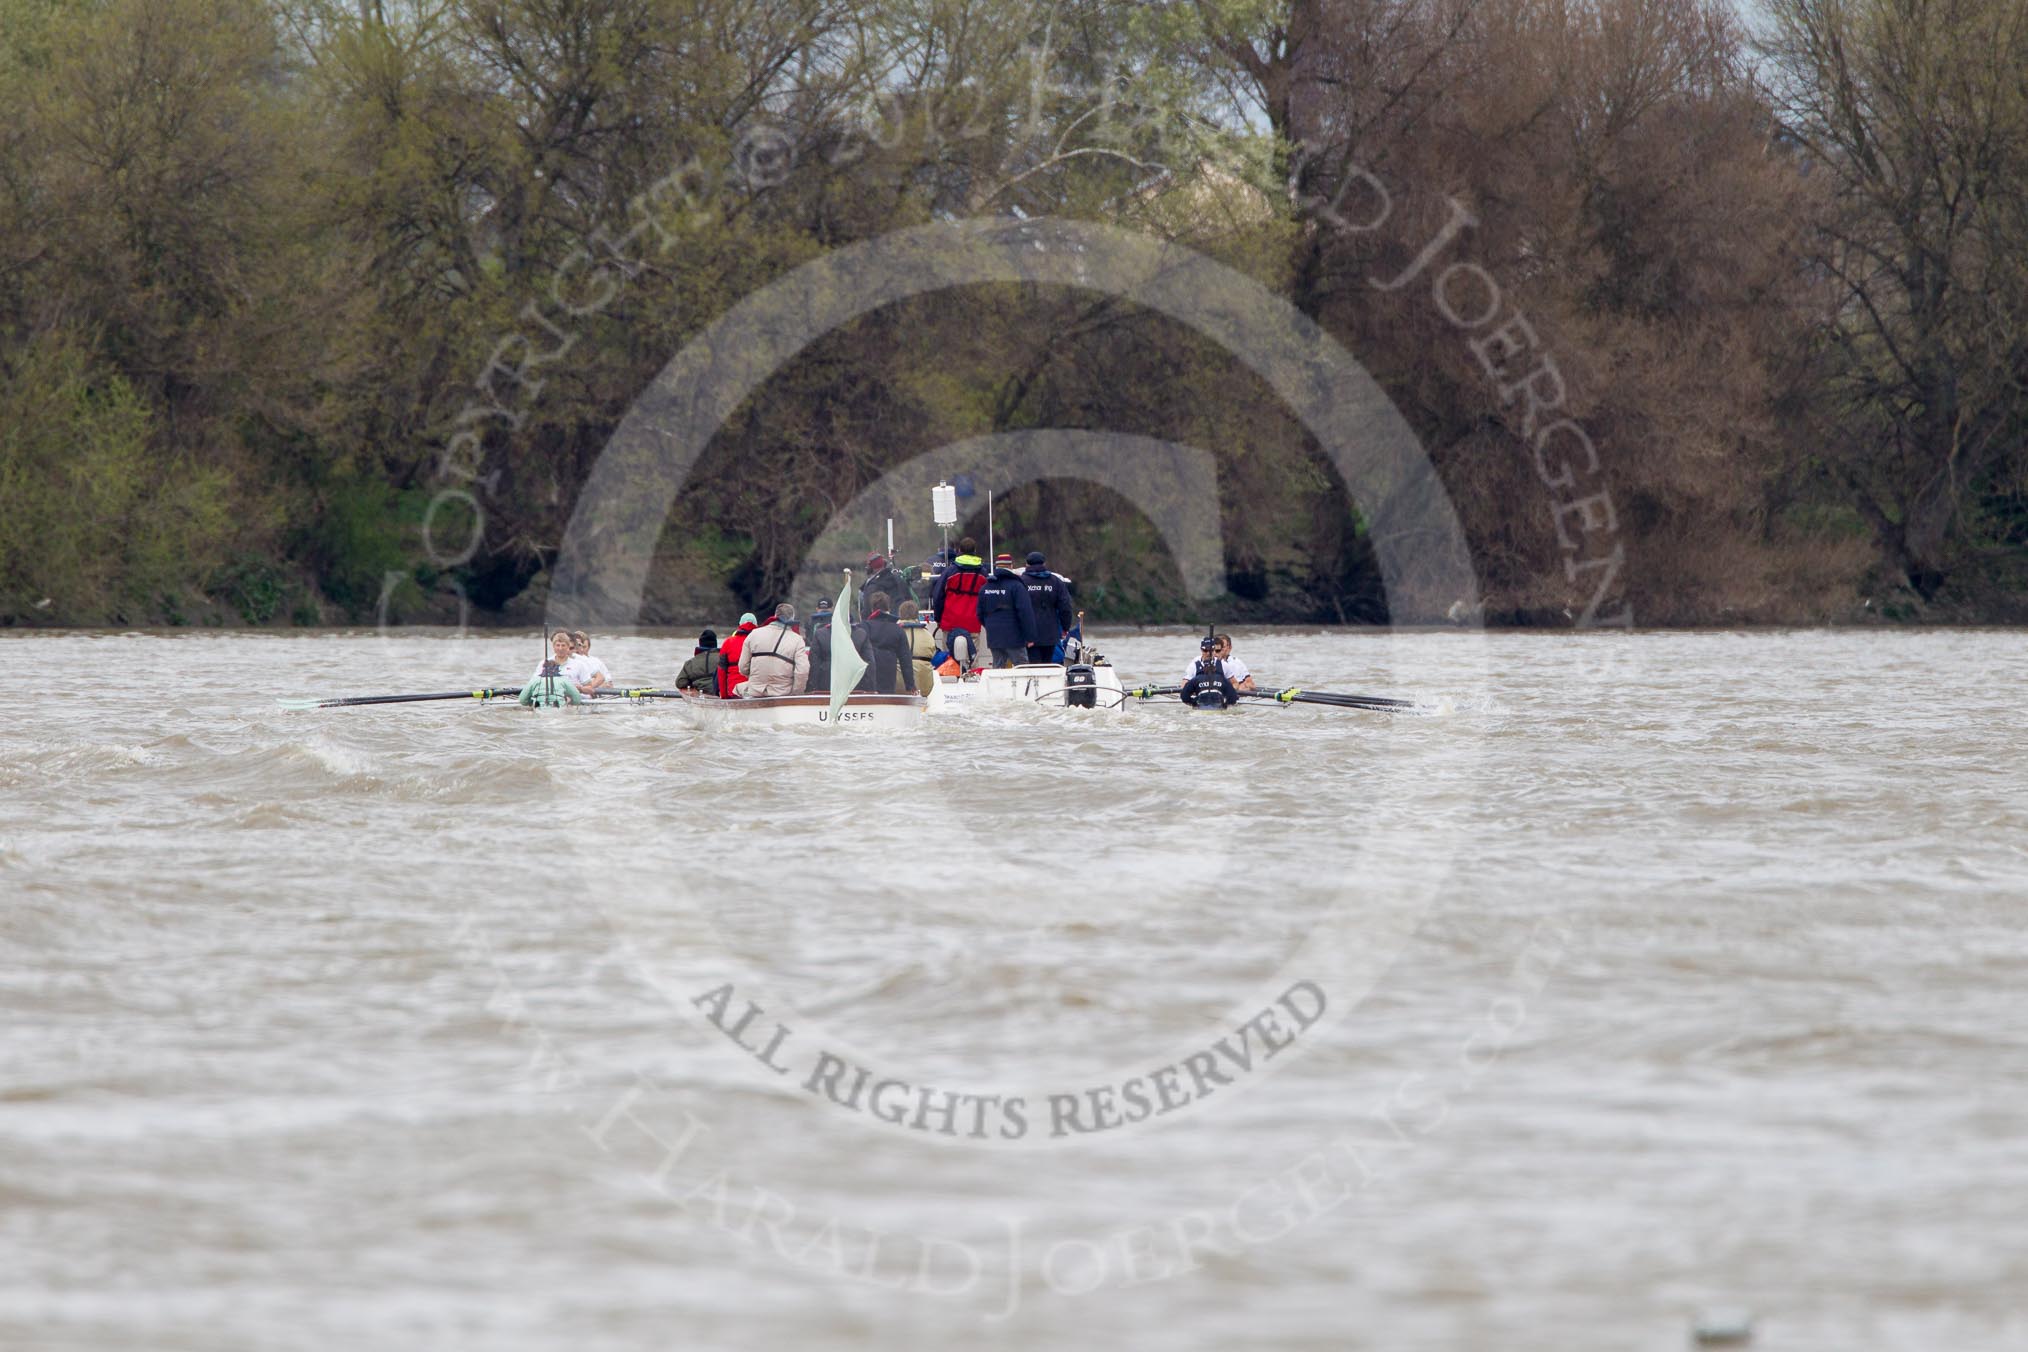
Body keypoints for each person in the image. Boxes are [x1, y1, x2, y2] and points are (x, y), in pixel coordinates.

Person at [977, 554, 1037, 668]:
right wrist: (1030, 636)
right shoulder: (1017, 586)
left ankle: (998, 686)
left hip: (994, 637)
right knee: (1022, 668)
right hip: (1015, 637)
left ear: (996, 567)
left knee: (998, 669)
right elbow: (1025, 613)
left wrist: (990, 625)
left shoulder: (985, 588)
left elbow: (979, 614)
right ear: (1011, 566)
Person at [737, 602, 810, 696]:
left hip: (755, 691)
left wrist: (756, 677)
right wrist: (796, 693)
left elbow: (742, 667)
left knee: (739, 688)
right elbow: (802, 671)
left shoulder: (754, 634)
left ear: (775, 615)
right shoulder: (797, 639)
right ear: (792, 619)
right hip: (783, 693)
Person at [930, 537, 988, 650]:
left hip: (950, 622)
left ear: (959, 551)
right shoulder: (983, 573)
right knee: (972, 662)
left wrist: (938, 619)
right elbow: (986, 598)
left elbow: (938, 596)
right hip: (973, 623)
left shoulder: (950, 571)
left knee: (948, 662)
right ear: (975, 551)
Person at [1018, 551, 1076, 663]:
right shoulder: (1056, 582)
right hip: (1050, 633)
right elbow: (1065, 607)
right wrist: (1065, 627)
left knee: (1033, 665)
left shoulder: (1021, 582)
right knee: (1047, 664)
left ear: (1027, 565)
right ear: (1044, 564)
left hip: (1028, 633)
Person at [856, 592, 918, 694]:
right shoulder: (898, 630)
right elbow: (905, 660)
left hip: (866, 676)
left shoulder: (863, 627)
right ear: (889, 608)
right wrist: (910, 685)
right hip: (888, 676)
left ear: (872, 608)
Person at [521, 631, 590, 706]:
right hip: (546, 700)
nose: (560, 648)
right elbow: (533, 684)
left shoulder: (579, 665)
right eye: (558, 645)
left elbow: (590, 688)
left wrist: (580, 689)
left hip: (572, 699)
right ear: (553, 647)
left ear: (568, 647)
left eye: (563, 645)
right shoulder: (543, 663)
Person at [1178, 633, 1256, 691]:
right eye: (1207, 650)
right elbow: (1184, 683)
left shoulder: (1229, 664)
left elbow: (1239, 684)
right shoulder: (1195, 663)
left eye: (1218, 650)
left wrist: (1236, 689)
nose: (1213, 653)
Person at [1180, 636, 1241, 708]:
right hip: (1200, 700)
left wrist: (1227, 693)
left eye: (1211, 651)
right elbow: (1184, 686)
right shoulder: (1193, 665)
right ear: (1201, 650)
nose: (1208, 653)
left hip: (1219, 700)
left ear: (1214, 650)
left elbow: (1235, 683)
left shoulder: (1223, 664)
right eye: (1205, 651)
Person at [898, 599, 937, 693]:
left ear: (900, 614)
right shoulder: (927, 634)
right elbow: (933, 653)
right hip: (924, 684)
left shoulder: (895, 632)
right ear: (917, 615)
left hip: (900, 683)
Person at [718, 612, 759, 698]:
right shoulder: (761, 642)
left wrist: (724, 696)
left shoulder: (728, 642)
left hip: (733, 691)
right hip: (758, 692)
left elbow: (721, 671)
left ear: (739, 625)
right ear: (756, 625)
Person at [860, 553, 914, 619]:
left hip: (882, 623)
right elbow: (910, 600)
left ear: (870, 567)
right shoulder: (899, 580)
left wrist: (865, 625)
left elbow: (867, 610)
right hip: (903, 621)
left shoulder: (873, 586)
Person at [805, 597, 837, 693]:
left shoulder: (809, 621)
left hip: (815, 658)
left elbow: (807, 640)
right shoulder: (836, 619)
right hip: (834, 659)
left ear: (817, 609)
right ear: (831, 609)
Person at [674, 629, 722, 695]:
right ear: (715, 643)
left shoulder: (690, 663)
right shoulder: (724, 658)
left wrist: (692, 685)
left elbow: (680, 683)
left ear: (700, 644)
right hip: (721, 692)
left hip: (701, 692)